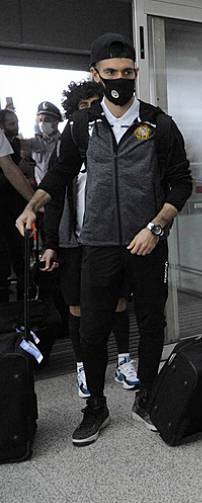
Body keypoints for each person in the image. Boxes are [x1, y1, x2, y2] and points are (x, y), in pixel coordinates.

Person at [16, 33, 193, 447]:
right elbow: (58, 176)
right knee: (92, 330)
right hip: (96, 244)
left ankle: (146, 397)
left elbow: (181, 184)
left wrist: (156, 227)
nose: (120, 79)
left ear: (136, 73)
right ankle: (95, 405)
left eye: (128, 72)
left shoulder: (158, 124)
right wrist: (32, 207)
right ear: (95, 74)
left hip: (147, 242)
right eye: (111, 72)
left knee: (151, 323)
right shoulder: (81, 125)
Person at [40, 80, 137, 399]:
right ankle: (83, 365)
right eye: (85, 108)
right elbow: (54, 197)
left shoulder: (118, 143)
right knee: (78, 306)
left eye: (98, 105)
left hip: (111, 239)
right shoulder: (64, 147)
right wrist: (51, 243)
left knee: (119, 301)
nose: (93, 113)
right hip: (75, 241)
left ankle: (124, 360)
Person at [0, 111, 35, 302]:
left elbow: (10, 169)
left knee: (15, 251)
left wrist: (34, 202)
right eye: (11, 123)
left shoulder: (11, 141)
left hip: (11, 206)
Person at [21, 101, 63, 185]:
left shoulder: (64, 142)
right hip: (40, 189)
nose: (42, 123)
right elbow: (18, 145)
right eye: (40, 120)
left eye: (47, 119)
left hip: (59, 189)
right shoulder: (35, 142)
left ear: (56, 121)